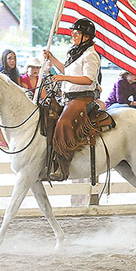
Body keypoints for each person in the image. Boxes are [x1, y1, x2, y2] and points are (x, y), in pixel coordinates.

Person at [42, 18, 101, 181]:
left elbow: (89, 79)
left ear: (86, 37)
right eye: (73, 33)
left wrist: (63, 78)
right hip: (68, 97)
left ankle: (63, 168)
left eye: (76, 33)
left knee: (64, 124)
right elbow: (66, 70)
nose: (72, 35)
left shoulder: (90, 55)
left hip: (83, 98)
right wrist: (52, 59)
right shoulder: (76, 52)